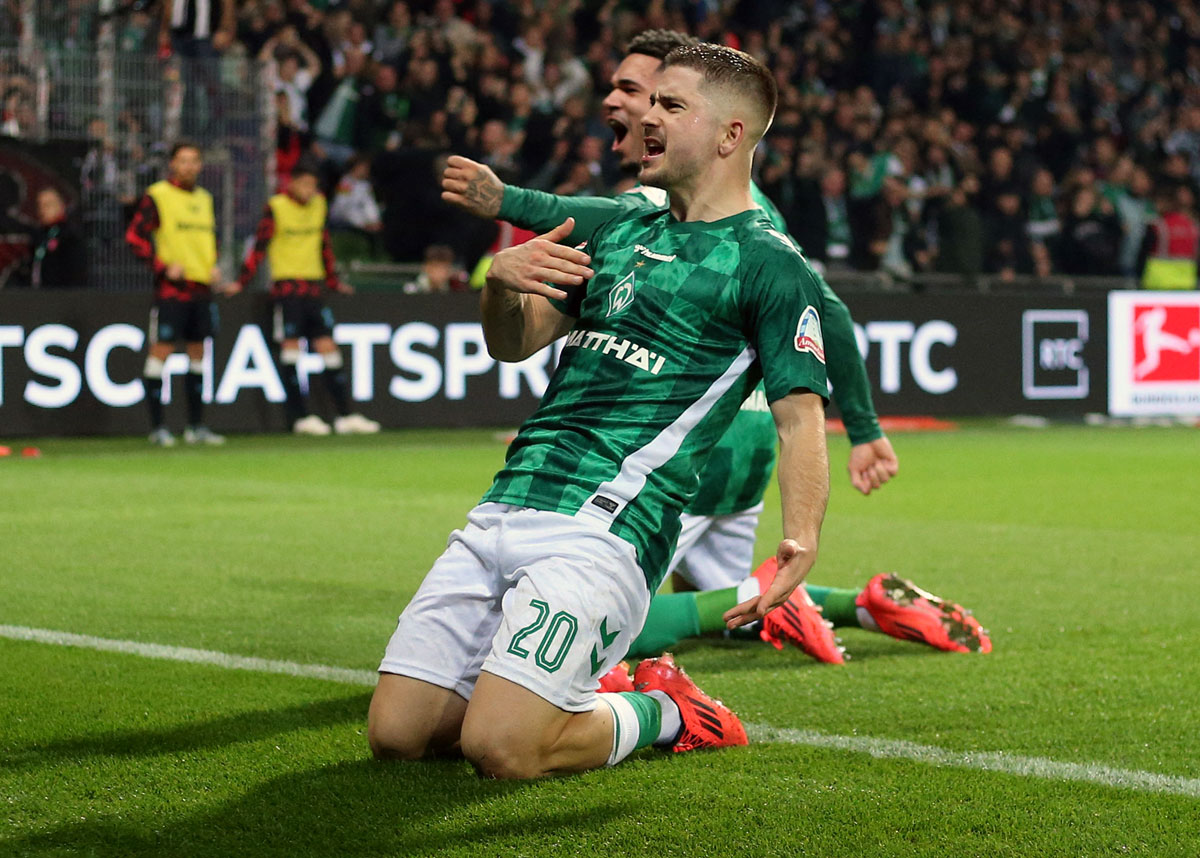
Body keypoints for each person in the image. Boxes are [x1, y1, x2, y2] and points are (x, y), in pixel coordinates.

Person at [442, 31, 989, 666]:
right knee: (731, 606)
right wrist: (863, 428)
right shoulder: (740, 209)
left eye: (636, 91)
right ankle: (860, 603)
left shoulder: (683, 209)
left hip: (683, 434)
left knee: (608, 628)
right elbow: (826, 310)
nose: (619, 105)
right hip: (742, 438)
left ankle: (799, 619)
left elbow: (584, 215)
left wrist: (506, 200)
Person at [369, 45, 830, 778]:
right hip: (507, 503)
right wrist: (498, 286)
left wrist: (799, 540)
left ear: (729, 136)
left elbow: (800, 416)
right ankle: (557, 696)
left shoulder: (769, 261)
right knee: (397, 735)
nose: (647, 116)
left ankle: (667, 710)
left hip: (608, 527)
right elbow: (514, 343)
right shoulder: (619, 228)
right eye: (651, 102)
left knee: (503, 749)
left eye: (671, 106)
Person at [230, 161, 380, 436]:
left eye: (314, 186)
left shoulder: (319, 205)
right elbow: (259, 246)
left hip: (314, 288)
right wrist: (241, 282)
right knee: (291, 350)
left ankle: (346, 416)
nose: (310, 191)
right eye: (305, 185)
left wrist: (333, 281)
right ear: (292, 183)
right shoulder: (276, 208)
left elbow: (324, 245)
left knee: (328, 348)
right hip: (287, 290)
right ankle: (299, 417)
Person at [125, 141, 229, 447]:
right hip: (172, 291)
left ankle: (196, 427)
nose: (189, 166)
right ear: (173, 164)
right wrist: (161, 266)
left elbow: (208, 238)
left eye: (194, 161)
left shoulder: (205, 198)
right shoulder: (158, 195)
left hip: (201, 288)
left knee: (198, 354)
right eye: (183, 161)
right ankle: (157, 427)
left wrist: (213, 265)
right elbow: (134, 237)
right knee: (162, 351)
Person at [21, 188, 86, 289]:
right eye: (39, 205)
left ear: (60, 206)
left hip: (60, 296)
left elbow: (75, 270)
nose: (42, 209)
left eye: (47, 205)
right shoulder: (39, 234)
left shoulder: (68, 235)